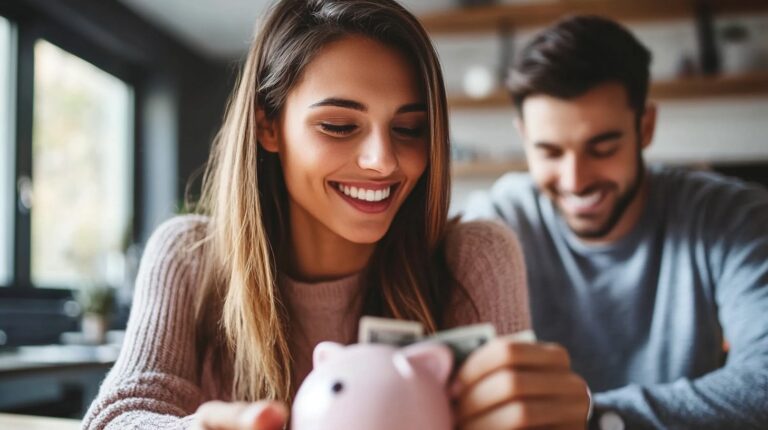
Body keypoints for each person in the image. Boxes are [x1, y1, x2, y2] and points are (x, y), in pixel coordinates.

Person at [83, 1, 590, 429]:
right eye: (339, 125)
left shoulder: (473, 257)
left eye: (409, 129)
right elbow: (120, 415)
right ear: (268, 125)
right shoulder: (189, 256)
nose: (384, 161)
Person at [462, 14, 768, 430]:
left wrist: (592, 417)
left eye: (602, 147)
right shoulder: (496, 223)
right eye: (550, 152)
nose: (575, 180)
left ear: (645, 127)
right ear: (524, 138)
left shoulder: (730, 216)